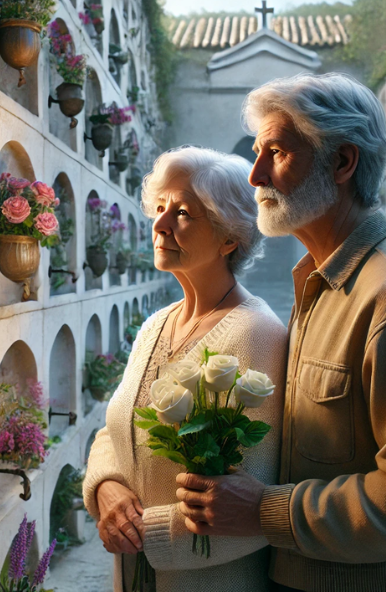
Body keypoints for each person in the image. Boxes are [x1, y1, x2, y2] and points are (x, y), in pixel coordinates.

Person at [175, 73, 386, 591]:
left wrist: (265, 509)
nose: (255, 175)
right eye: (257, 152)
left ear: (342, 162)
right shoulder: (320, 281)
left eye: (275, 152)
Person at [83, 146, 288, 592]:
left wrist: (141, 533)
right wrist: (106, 489)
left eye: (183, 213)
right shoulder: (157, 324)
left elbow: (253, 503)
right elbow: (114, 429)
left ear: (229, 236)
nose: (159, 224)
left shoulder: (256, 334)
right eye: (160, 208)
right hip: (135, 575)